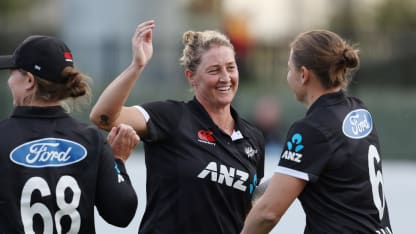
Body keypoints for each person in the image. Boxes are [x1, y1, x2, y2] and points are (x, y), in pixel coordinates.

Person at [89, 20, 265, 234]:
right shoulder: (172, 118)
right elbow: (103, 117)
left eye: (231, 67)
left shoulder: (252, 139)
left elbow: (247, 212)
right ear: (192, 77)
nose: (225, 78)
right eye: (214, 70)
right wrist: (137, 66)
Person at [241, 30, 393, 233]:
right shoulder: (358, 110)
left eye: (289, 69)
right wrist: (250, 190)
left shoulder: (312, 129)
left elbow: (268, 213)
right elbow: (305, 171)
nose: (288, 76)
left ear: (303, 74)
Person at [0, 35, 139, 233]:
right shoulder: (90, 140)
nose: (9, 82)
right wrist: (118, 160)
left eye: (12, 74)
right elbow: (121, 213)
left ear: (29, 80)